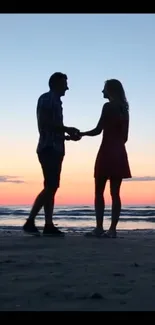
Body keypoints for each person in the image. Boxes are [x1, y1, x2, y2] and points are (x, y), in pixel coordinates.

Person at [23, 72, 80, 236]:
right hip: (49, 147)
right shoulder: (47, 99)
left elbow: (52, 127)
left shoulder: (55, 101)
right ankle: (30, 221)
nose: (67, 88)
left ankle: (48, 224)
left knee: (51, 187)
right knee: (51, 186)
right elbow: (45, 123)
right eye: (65, 84)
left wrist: (67, 136)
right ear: (56, 83)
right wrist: (66, 129)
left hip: (55, 146)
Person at [80, 79, 132, 238]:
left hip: (107, 151)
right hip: (119, 152)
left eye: (104, 89)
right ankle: (112, 230)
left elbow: (97, 130)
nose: (102, 92)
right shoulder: (124, 109)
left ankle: (99, 227)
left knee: (99, 192)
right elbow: (125, 137)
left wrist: (81, 134)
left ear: (110, 90)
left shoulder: (108, 107)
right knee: (115, 193)